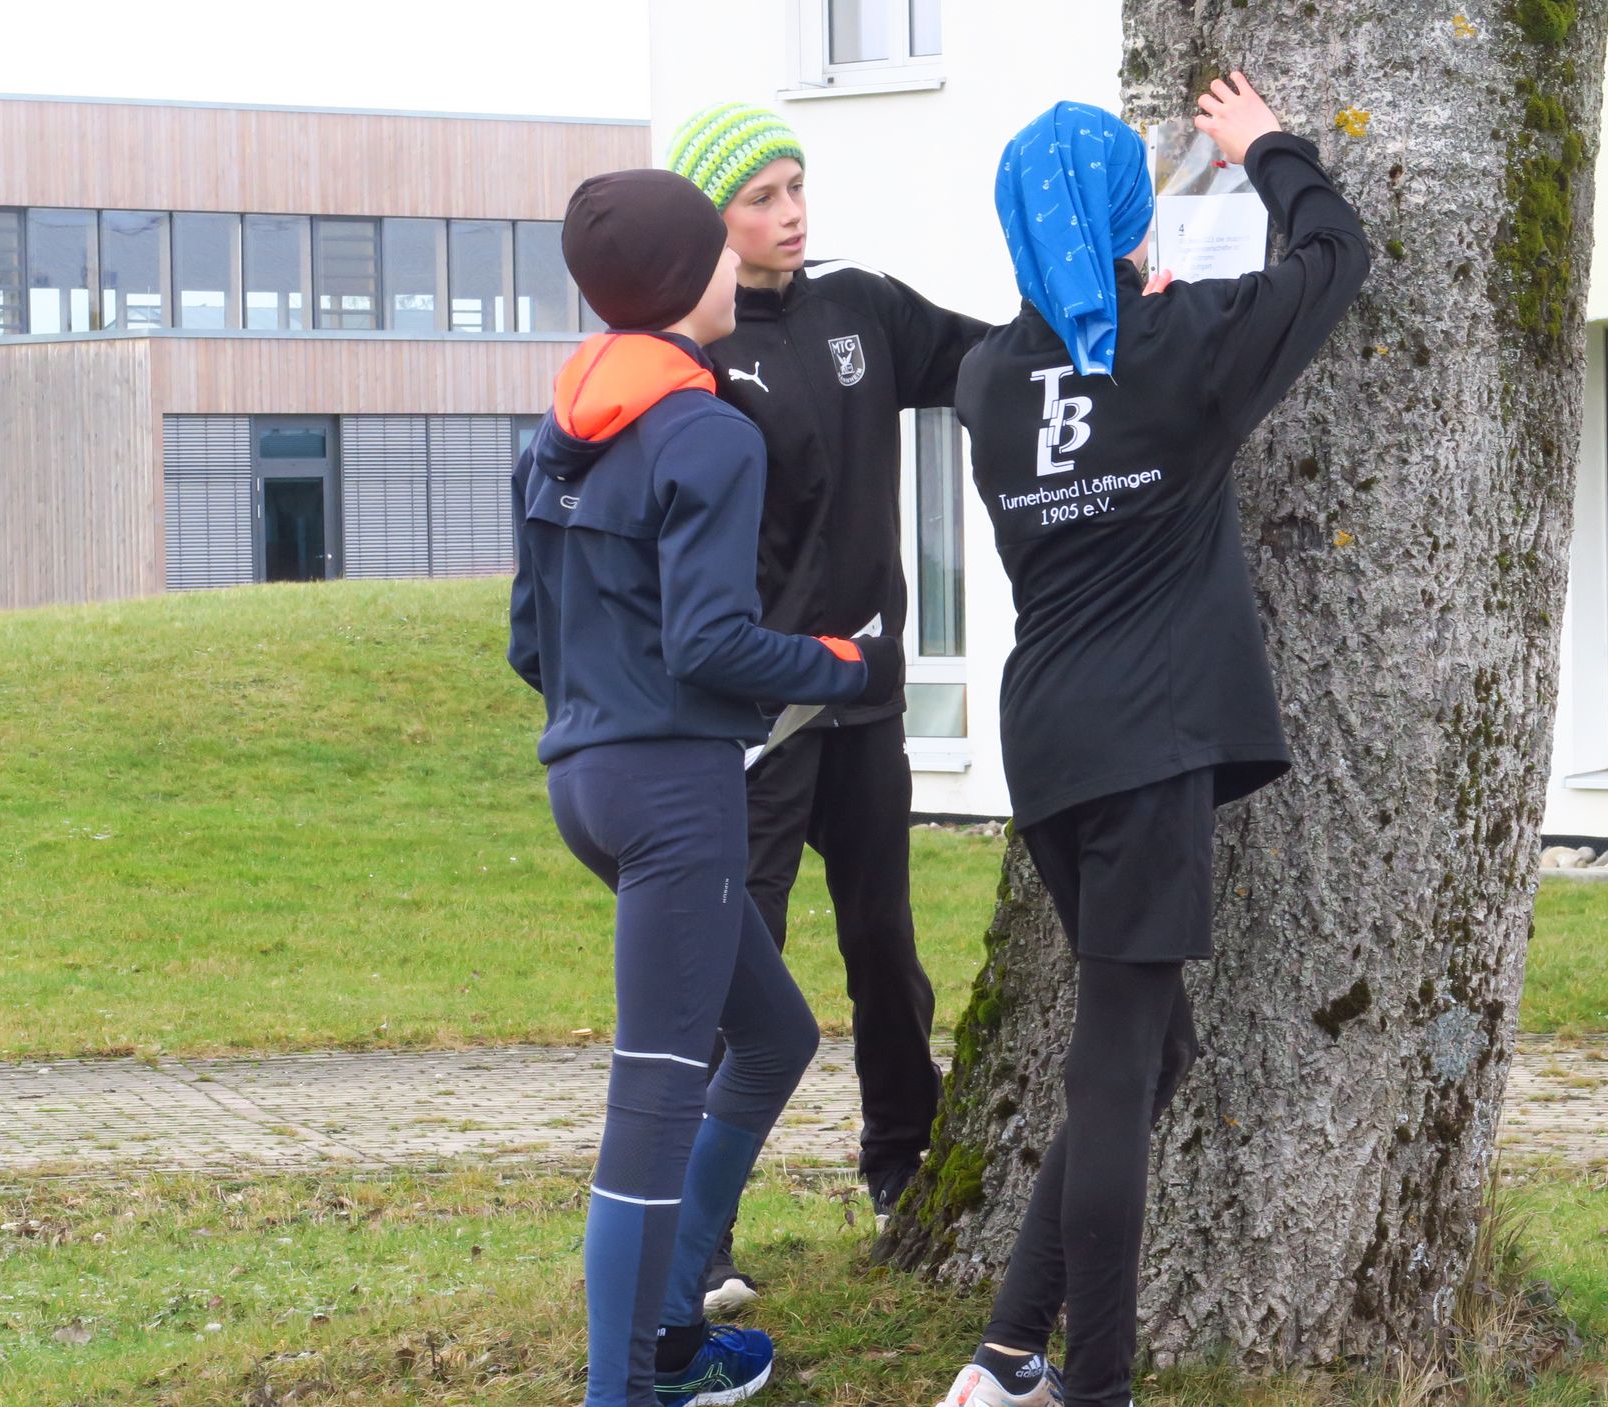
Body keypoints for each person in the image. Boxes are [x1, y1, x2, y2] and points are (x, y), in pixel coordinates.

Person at [929, 75, 1368, 1407]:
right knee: (1117, 1069)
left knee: (1150, 1048)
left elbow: (1071, 353)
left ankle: (1008, 1354)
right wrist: (1264, 148)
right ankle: (1098, 1387)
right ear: (1133, 217)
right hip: (1148, 744)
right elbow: (1335, 256)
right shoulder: (1181, 345)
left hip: (1050, 746)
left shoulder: (985, 383)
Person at [507, 167, 905, 1407]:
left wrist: (612, 712)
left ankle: (672, 1336)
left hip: (585, 779)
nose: (747, 261)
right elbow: (713, 642)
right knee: (651, 1106)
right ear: (690, 279)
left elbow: (530, 640)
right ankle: (625, 1389)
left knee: (775, 1036)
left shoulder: (558, 430)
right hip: (675, 797)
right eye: (723, 251)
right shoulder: (708, 432)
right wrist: (848, 665)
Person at [662, 102, 989, 1287]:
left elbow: (996, 360)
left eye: (796, 186)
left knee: (883, 943)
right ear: (712, 223)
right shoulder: (693, 356)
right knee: (736, 969)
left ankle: (902, 1162)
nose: (791, 213)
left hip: (864, 701)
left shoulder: (862, 308)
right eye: (761, 198)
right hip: (753, 722)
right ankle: (697, 1239)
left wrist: (1118, 315)